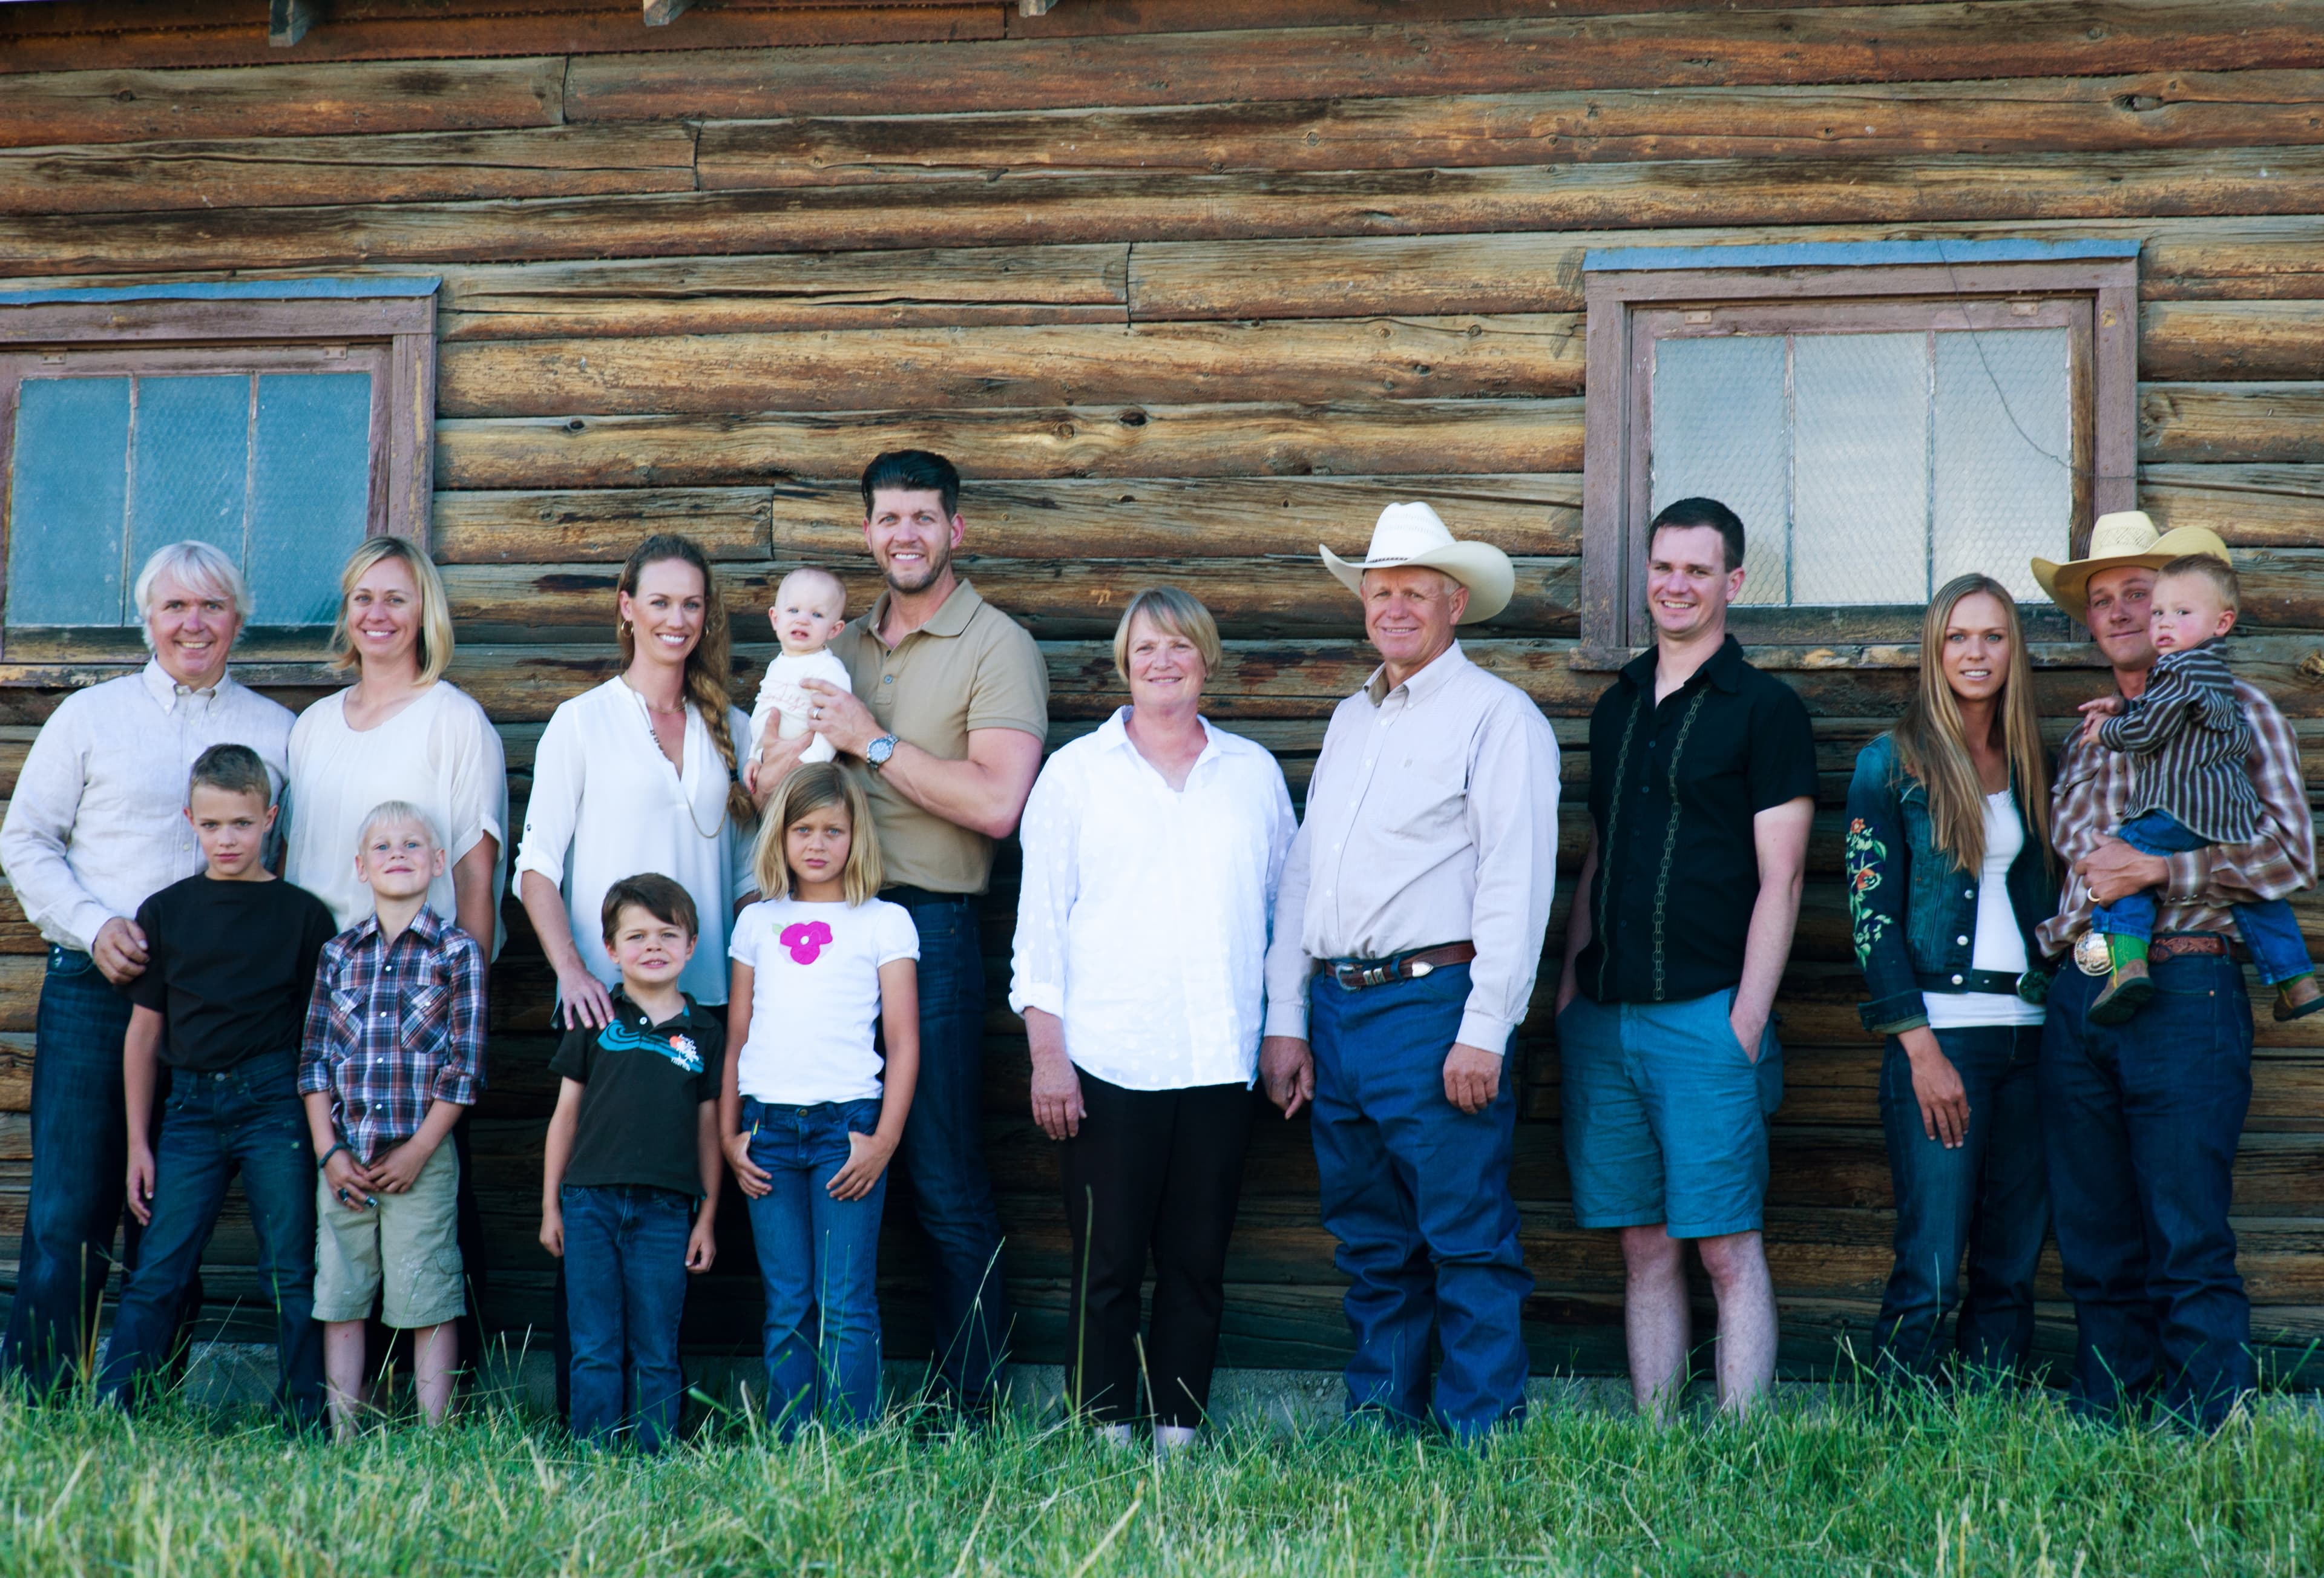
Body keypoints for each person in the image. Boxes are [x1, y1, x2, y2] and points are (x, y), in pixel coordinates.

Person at [1258, 501, 1560, 1441]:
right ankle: (1379, 1419)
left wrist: (1486, 1027)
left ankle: (1479, 1432)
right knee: (1371, 1237)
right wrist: (1287, 1015)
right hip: (1342, 1011)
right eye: (1379, 590)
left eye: (1413, 592)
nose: (1392, 606)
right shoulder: (1352, 718)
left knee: (1466, 1235)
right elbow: (1305, 869)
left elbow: (1517, 878)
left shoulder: (1499, 718)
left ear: (1455, 602)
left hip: (1436, 1004)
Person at [753, 450, 1045, 1414]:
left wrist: (874, 739)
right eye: (889, 518)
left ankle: (972, 1405)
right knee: (822, 1153)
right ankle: (842, 1397)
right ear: (867, 532)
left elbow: (999, 803)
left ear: (956, 530)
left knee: (939, 1167)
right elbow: (767, 784)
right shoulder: (835, 642)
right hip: (814, 928)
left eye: (925, 517)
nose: (906, 534)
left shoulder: (996, 643)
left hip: (929, 924)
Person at [2029, 512, 2311, 1430]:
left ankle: (2207, 1419)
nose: (2119, 610)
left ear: (2176, 608)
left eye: (2136, 593)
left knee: (2187, 1225)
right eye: (2100, 599)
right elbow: (2080, 860)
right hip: (2086, 982)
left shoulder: (2239, 711)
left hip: (2187, 985)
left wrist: (2162, 868)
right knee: (2095, 1225)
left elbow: (2290, 856)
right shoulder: (2095, 733)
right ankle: (2109, 1409)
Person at [0, 541, 293, 1393]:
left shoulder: (277, 731)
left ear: (238, 619)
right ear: (147, 618)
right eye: (175, 607)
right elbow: (25, 839)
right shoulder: (91, 718)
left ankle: (145, 1394)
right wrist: (94, 927)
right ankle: (45, 1394)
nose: (193, 623)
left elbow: (292, 869)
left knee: (172, 1209)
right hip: (100, 987)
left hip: (216, 1008)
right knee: (67, 1203)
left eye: (211, 606)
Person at [1011, 588, 1295, 1453]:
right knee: (1107, 1264)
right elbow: (1040, 928)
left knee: (1196, 1263)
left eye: (1179, 646)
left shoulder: (1251, 774)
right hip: (1107, 1058)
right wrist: (1048, 1056)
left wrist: (1287, 1029)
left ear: (1207, 657)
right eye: (1145, 649)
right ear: (1123, 663)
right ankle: (1105, 1430)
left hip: (1217, 1057)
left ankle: (1178, 1431)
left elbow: (1288, 916)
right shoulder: (1076, 774)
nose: (1162, 661)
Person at [1554, 496, 1814, 1420]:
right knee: (1644, 1245)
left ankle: (1743, 1451)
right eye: (1663, 567)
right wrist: (1568, 991)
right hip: (1606, 1017)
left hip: (1708, 1016)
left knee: (1725, 1246)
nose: (1676, 584)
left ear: (1732, 582)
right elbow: (1602, 850)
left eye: (1697, 570)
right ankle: (1659, 1441)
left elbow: (1781, 881)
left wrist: (1743, 1022)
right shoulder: (1617, 707)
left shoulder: (1767, 710)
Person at [283, 534, 507, 1381]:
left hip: (425, 994)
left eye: (398, 599)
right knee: (335, 1196)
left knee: (429, 1198)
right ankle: (340, 1390)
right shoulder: (310, 729)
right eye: (364, 598)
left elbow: (477, 878)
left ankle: (449, 1388)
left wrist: (464, 1000)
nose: (378, 614)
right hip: (330, 987)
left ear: (425, 615)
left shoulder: (454, 719)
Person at [1843, 574, 2056, 1383]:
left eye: (1993, 636)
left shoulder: (2038, 759)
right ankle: (1903, 1423)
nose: (1976, 652)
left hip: (2036, 1038)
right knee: (1932, 1253)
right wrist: (1920, 1050)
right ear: (1935, 650)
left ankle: (1989, 1419)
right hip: (1943, 1037)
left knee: (2011, 1252)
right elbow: (1872, 919)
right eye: (1959, 636)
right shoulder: (1890, 763)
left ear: (2014, 650)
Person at [97, 745, 336, 1425]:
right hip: (190, 1110)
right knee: (159, 1267)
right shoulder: (168, 911)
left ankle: (305, 1417)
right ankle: (119, 1407)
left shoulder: (303, 917)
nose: (226, 839)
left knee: (290, 1267)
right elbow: (144, 1035)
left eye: (240, 823)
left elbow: (318, 1036)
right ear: (190, 822)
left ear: (269, 818)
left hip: (274, 1105)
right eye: (211, 825)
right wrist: (140, 1143)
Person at [723, 764, 921, 1438]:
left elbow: (903, 1040)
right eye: (802, 829)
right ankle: (790, 1445)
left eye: (833, 830)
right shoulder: (756, 922)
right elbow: (737, 1038)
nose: (817, 844)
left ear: (855, 837)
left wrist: (885, 1139)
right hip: (767, 1131)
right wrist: (729, 1136)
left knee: (845, 1301)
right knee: (787, 1302)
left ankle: (851, 1443)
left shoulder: (884, 923)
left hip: (849, 1131)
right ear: (780, 837)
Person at [516, 531, 758, 1028]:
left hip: (709, 998)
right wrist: (573, 972)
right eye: (660, 602)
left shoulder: (736, 727)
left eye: (692, 604)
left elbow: (748, 879)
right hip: (606, 999)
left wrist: (751, 990)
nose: (677, 620)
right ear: (627, 607)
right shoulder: (581, 720)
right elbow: (537, 869)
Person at [299, 802, 485, 1438]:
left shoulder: (457, 953)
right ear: (360, 867)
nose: (397, 854)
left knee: (427, 1295)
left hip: (421, 1159)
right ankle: (345, 1435)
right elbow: (316, 1063)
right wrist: (329, 1152)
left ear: (437, 864)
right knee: (342, 1296)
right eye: (382, 846)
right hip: (346, 1159)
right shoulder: (338, 955)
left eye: (412, 844)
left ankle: (435, 1436)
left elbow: (464, 1067)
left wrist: (421, 1149)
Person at [2074, 554, 2322, 1023]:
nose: (2157, 621)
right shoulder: (2206, 676)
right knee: (2259, 899)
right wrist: (2124, 710)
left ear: (2222, 621)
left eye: (2140, 597)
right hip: (2075, 981)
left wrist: (2110, 730)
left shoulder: (2195, 680)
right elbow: (2168, 715)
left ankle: (2127, 965)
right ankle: (2297, 979)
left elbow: (2293, 856)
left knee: (2123, 860)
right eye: (2161, 613)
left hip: (2184, 976)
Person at [540, 873, 724, 1452]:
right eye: (637, 935)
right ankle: (594, 1452)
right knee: (594, 1340)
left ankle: (653, 1455)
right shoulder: (596, 1018)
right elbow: (564, 1116)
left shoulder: (705, 1032)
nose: (653, 946)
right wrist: (551, 1204)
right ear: (612, 950)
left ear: (691, 946)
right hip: (588, 1202)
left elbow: (709, 1130)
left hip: (667, 1211)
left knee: (655, 1344)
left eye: (668, 934)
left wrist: (706, 1218)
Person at [747, 567, 853, 776]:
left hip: (808, 769)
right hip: (773, 763)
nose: (803, 620)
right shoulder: (777, 665)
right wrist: (756, 756)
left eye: (817, 614)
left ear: (834, 630)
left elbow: (835, 725)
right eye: (793, 610)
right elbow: (764, 713)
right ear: (775, 619)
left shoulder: (828, 670)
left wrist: (810, 762)